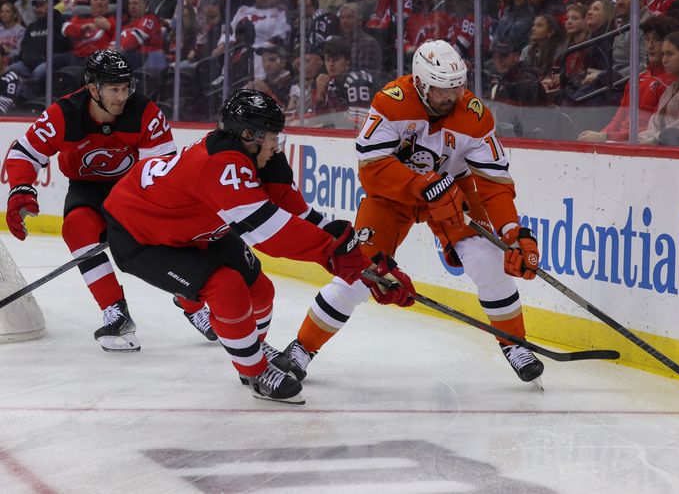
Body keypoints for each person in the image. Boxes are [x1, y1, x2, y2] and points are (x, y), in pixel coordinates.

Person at [101, 89, 414, 403]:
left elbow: (303, 217)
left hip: (194, 230)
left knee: (261, 290)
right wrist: (337, 257)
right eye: (272, 136)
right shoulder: (221, 163)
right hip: (140, 235)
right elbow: (268, 232)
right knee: (226, 287)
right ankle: (255, 371)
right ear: (248, 134)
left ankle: (250, 348)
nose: (277, 145)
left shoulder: (260, 157)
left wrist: (369, 266)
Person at [277, 40, 545, 385]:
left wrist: (512, 232)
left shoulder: (475, 115)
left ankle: (515, 345)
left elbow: (493, 183)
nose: (452, 96)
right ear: (420, 83)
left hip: (453, 195)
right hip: (391, 198)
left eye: (458, 87)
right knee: (360, 273)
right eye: (442, 89)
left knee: (488, 259)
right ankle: (302, 348)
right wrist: (420, 185)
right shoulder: (390, 102)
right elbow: (372, 167)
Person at [4, 50, 180, 353]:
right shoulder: (65, 113)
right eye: (114, 89)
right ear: (93, 88)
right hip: (86, 188)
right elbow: (25, 153)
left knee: (155, 244)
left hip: (131, 190)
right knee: (76, 228)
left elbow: (161, 170)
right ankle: (116, 311)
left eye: (126, 88)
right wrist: (20, 187)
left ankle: (192, 302)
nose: (122, 96)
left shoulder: (145, 113)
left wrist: (146, 211)